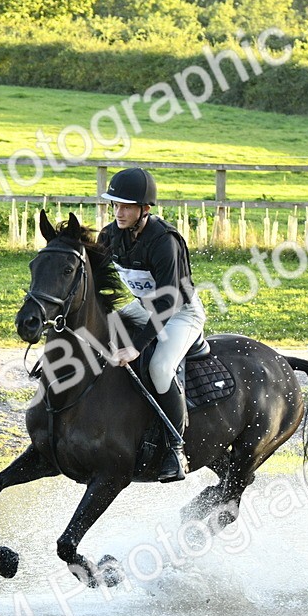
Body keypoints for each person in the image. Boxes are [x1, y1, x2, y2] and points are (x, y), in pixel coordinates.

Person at [98, 167, 207, 482]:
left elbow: (168, 301)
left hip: (180, 311)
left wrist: (135, 346)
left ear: (144, 209)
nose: (119, 212)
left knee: (159, 366)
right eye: (115, 205)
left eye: (127, 206)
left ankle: (175, 447)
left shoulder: (164, 241)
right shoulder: (110, 235)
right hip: (143, 307)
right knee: (101, 332)